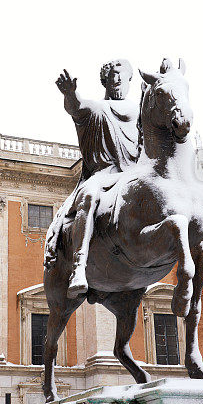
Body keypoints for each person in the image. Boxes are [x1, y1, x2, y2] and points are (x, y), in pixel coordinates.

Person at [44, 59, 140, 296]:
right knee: (88, 195)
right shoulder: (97, 109)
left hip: (134, 175)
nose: (118, 79)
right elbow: (76, 108)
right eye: (114, 75)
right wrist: (70, 94)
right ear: (105, 80)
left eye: (123, 76)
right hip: (105, 174)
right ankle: (79, 265)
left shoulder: (140, 114)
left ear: (129, 81)